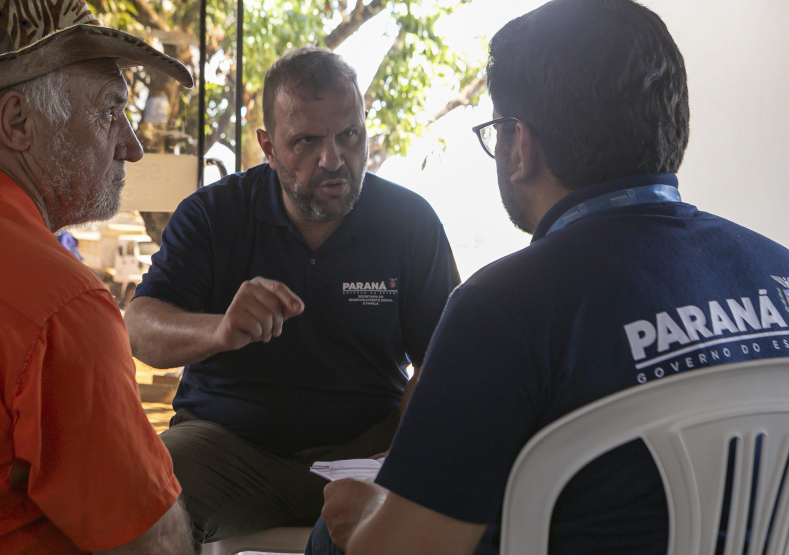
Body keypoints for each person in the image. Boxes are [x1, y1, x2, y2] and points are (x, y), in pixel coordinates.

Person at [308, 0, 789, 554]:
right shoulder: (776, 271)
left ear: (518, 144)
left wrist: (360, 522)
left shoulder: (500, 309)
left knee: (334, 530)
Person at [0, 0, 197, 553]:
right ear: (18, 122)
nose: (132, 145)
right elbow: (150, 543)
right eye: (109, 110)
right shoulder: (59, 303)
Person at [123, 46, 460, 543]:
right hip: (228, 448)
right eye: (306, 141)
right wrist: (218, 330)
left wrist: (402, 453)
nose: (333, 159)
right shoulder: (214, 215)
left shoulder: (409, 223)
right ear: (268, 145)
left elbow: (443, 359)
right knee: (134, 485)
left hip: (367, 453)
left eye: (349, 135)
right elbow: (139, 328)